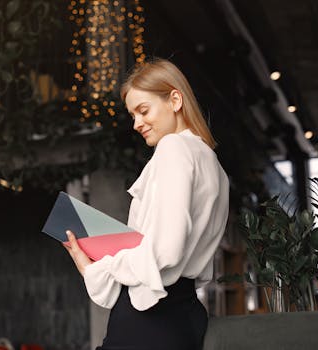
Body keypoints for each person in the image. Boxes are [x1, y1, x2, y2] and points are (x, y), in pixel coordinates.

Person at [64, 58, 230, 350]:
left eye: (143, 111)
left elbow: (166, 250)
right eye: (132, 115)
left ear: (175, 99)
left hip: (150, 317)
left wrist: (96, 268)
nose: (137, 124)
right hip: (185, 314)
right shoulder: (211, 162)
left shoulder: (173, 147)